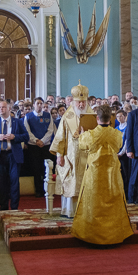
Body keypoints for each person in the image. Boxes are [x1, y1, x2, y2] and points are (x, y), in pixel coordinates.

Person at [72, 105, 135, 245]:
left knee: (93, 202)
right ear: (111, 119)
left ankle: (92, 234)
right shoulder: (117, 134)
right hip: (112, 173)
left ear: (97, 118)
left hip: (95, 174)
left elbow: (82, 145)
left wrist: (82, 133)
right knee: (113, 201)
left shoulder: (90, 135)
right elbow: (118, 146)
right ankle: (114, 234)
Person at [52, 85, 92, 218]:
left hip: (88, 155)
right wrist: (59, 155)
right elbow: (60, 137)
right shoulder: (66, 116)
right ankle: (70, 210)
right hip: (70, 156)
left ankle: (87, 211)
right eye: (78, 102)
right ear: (73, 102)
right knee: (71, 181)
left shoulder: (92, 116)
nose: (81, 104)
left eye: (83, 102)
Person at [0, 100, 26, 212]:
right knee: (2, 182)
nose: (1, 109)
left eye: (3, 107)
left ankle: (14, 207)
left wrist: (15, 137)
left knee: (14, 181)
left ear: (9, 109)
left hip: (13, 155)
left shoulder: (17, 122)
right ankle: (3, 206)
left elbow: (26, 136)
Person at [24, 99, 54, 203]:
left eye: (41, 104)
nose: (40, 105)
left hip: (45, 146)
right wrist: (36, 140)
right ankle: (38, 190)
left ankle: (48, 190)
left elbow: (50, 130)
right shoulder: (28, 116)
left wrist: (43, 141)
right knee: (36, 168)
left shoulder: (47, 115)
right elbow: (27, 131)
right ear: (34, 105)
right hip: (34, 146)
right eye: (38, 103)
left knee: (46, 168)